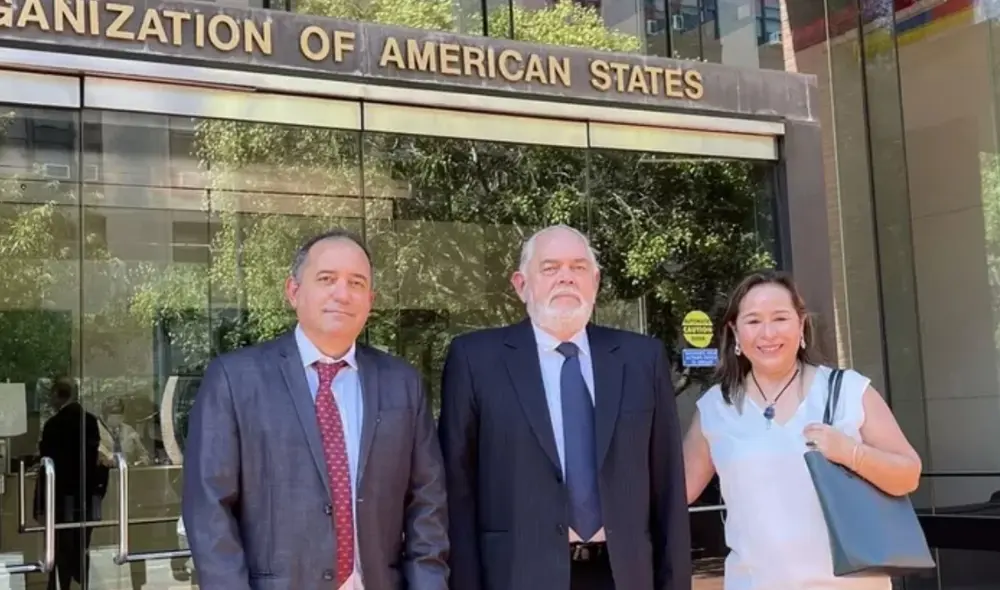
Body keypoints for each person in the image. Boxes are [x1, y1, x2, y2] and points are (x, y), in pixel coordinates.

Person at [182, 229, 449, 590]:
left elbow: (427, 504)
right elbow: (209, 509)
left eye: (356, 283)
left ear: (370, 300)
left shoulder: (402, 384)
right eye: (326, 279)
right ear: (293, 291)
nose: (342, 293)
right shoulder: (235, 379)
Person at [438, 224, 691, 590]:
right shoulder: (475, 360)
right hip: (517, 577)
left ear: (595, 282)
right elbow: (457, 491)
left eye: (578, 267)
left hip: (625, 575)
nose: (566, 277)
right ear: (521, 285)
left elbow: (668, 487)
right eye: (550, 267)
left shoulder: (641, 359)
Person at [682, 270, 922, 590]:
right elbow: (675, 491)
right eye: (753, 321)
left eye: (780, 318)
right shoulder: (716, 407)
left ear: (801, 324)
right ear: (735, 331)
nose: (768, 333)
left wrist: (852, 453)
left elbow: (909, 474)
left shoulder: (847, 390)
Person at [36, 377, 109, 590]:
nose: (50, 400)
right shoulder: (90, 421)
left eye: (52, 395)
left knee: (60, 545)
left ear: (59, 395)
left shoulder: (54, 424)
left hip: (61, 496)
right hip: (86, 496)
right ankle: (79, 582)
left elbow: (47, 459)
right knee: (80, 545)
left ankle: (61, 584)